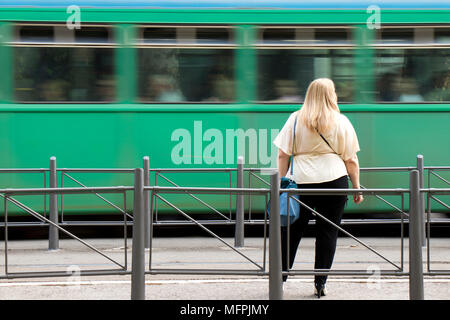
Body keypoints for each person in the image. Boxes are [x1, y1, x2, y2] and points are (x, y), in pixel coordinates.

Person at [273, 78, 363, 298]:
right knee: (327, 232)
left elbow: (283, 154)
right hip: (334, 180)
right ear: (331, 95)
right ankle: (320, 283)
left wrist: (281, 181)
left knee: (292, 232)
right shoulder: (342, 121)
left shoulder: (295, 119)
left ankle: (279, 279)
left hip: (300, 182)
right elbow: (351, 159)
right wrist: (357, 187)